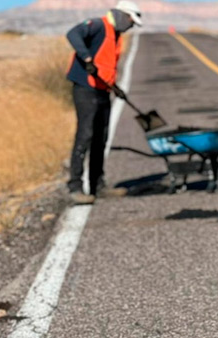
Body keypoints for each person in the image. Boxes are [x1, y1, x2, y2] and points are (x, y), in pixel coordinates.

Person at [65, 1, 143, 205]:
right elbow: (73, 34)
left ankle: (97, 185)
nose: (130, 26)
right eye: (130, 21)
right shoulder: (99, 25)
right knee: (86, 134)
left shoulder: (115, 34)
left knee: (101, 136)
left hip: (101, 89)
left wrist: (113, 86)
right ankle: (75, 186)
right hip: (85, 88)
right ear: (123, 15)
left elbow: (105, 63)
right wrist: (87, 58)